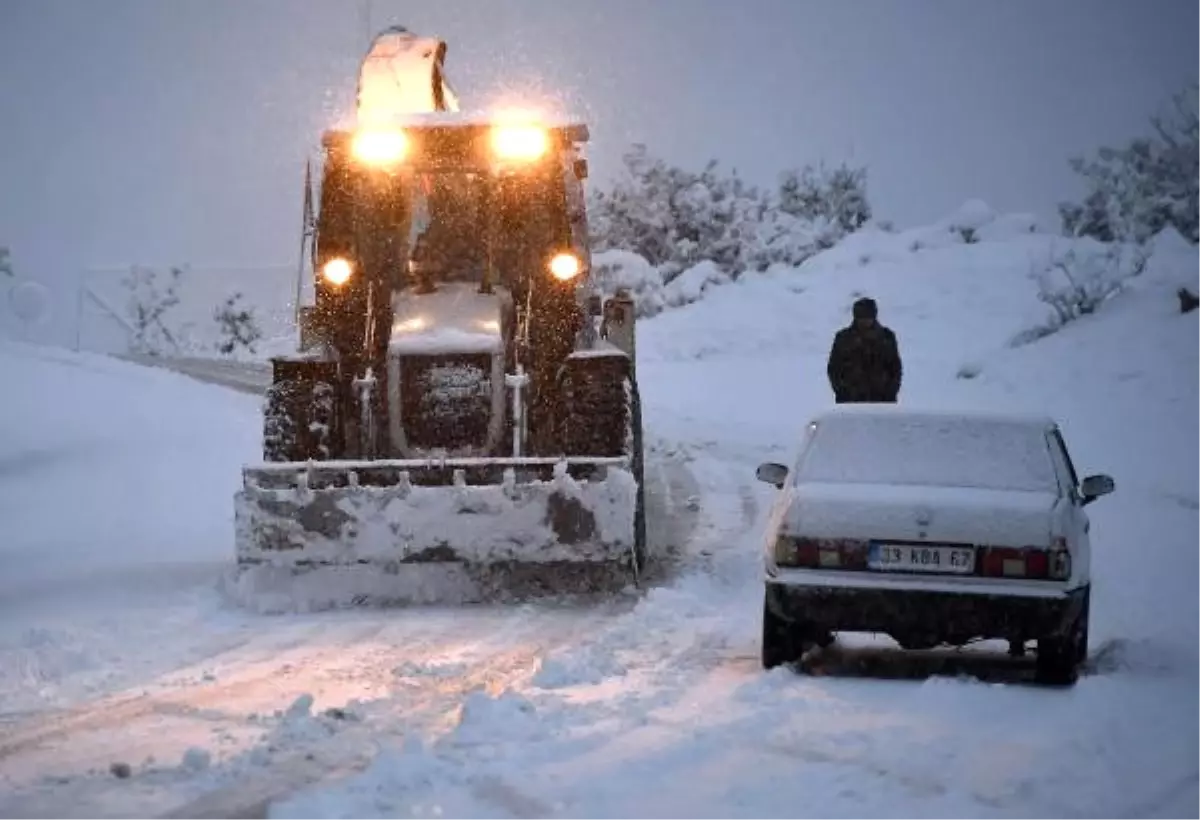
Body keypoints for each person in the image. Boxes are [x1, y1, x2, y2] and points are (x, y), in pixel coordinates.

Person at [826, 297, 903, 403]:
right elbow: (834, 368)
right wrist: (842, 392)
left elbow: (895, 368)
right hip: (850, 400)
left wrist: (890, 392)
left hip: (882, 400)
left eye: (868, 317)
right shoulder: (843, 338)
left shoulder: (887, 337)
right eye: (861, 317)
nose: (865, 321)